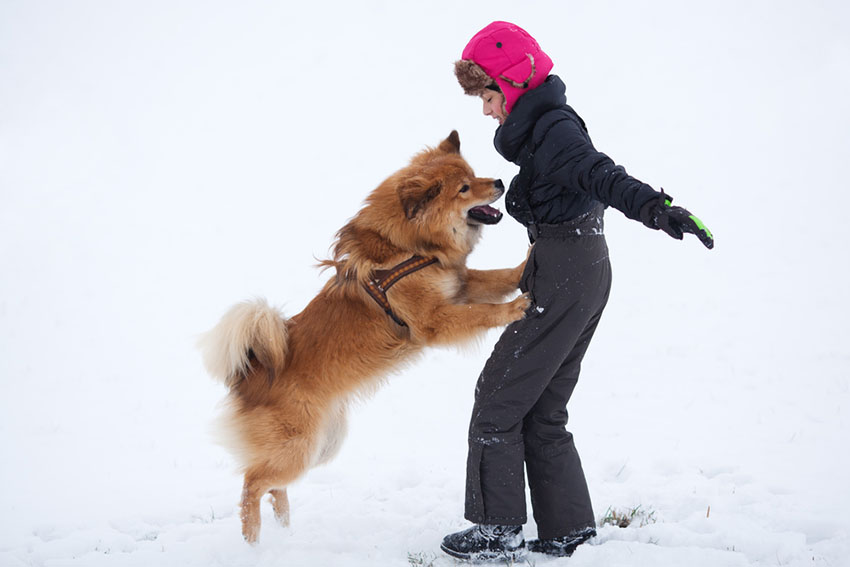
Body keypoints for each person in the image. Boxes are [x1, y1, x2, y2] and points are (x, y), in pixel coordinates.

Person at [440, 21, 713, 562]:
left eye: (489, 96)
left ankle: (498, 532)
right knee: (542, 406)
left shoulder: (555, 132)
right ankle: (566, 530)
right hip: (578, 267)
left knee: (499, 398)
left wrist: (657, 210)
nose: (488, 110)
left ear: (514, 86)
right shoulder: (543, 129)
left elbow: (600, 175)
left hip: (566, 272)